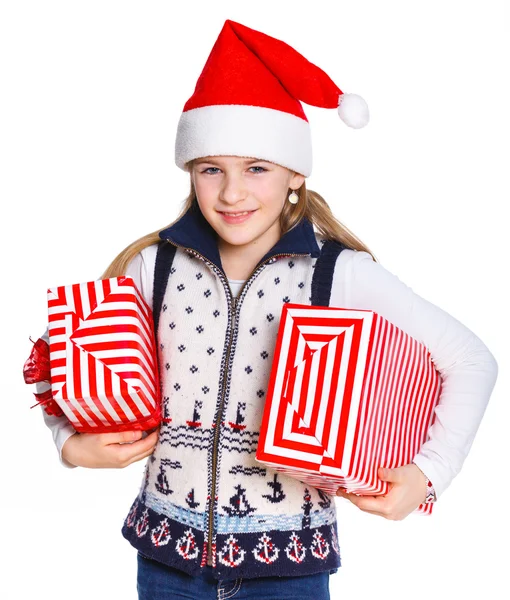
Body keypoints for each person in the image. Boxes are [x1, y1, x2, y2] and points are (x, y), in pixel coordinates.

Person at [32, 19, 498, 600]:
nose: (232, 193)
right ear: (190, 170)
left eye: (256, 168)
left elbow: (471, 360)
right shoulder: (153, 268)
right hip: (165, 564)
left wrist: (429, 472)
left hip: (290, 571)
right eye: (212, 169)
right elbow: (67, 367)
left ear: (295, 173)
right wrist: (67, 444)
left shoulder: (340, 274)